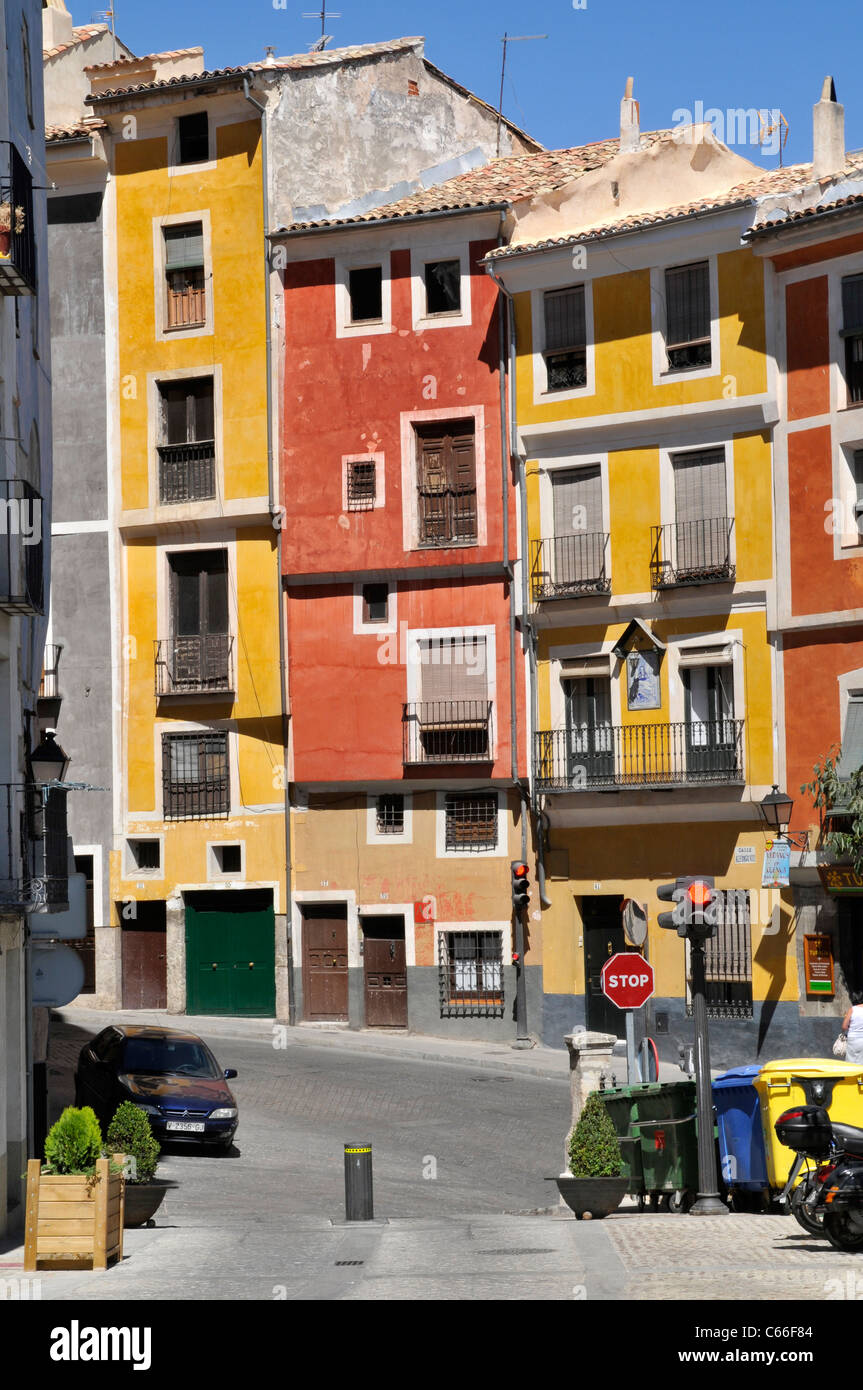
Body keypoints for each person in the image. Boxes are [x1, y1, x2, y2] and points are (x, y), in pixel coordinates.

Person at [842, 991, 863, 1065]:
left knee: (851, 1061)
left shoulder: (852, 1009)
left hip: (853, 1039)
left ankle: (851, 1076)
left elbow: (844, 1026)